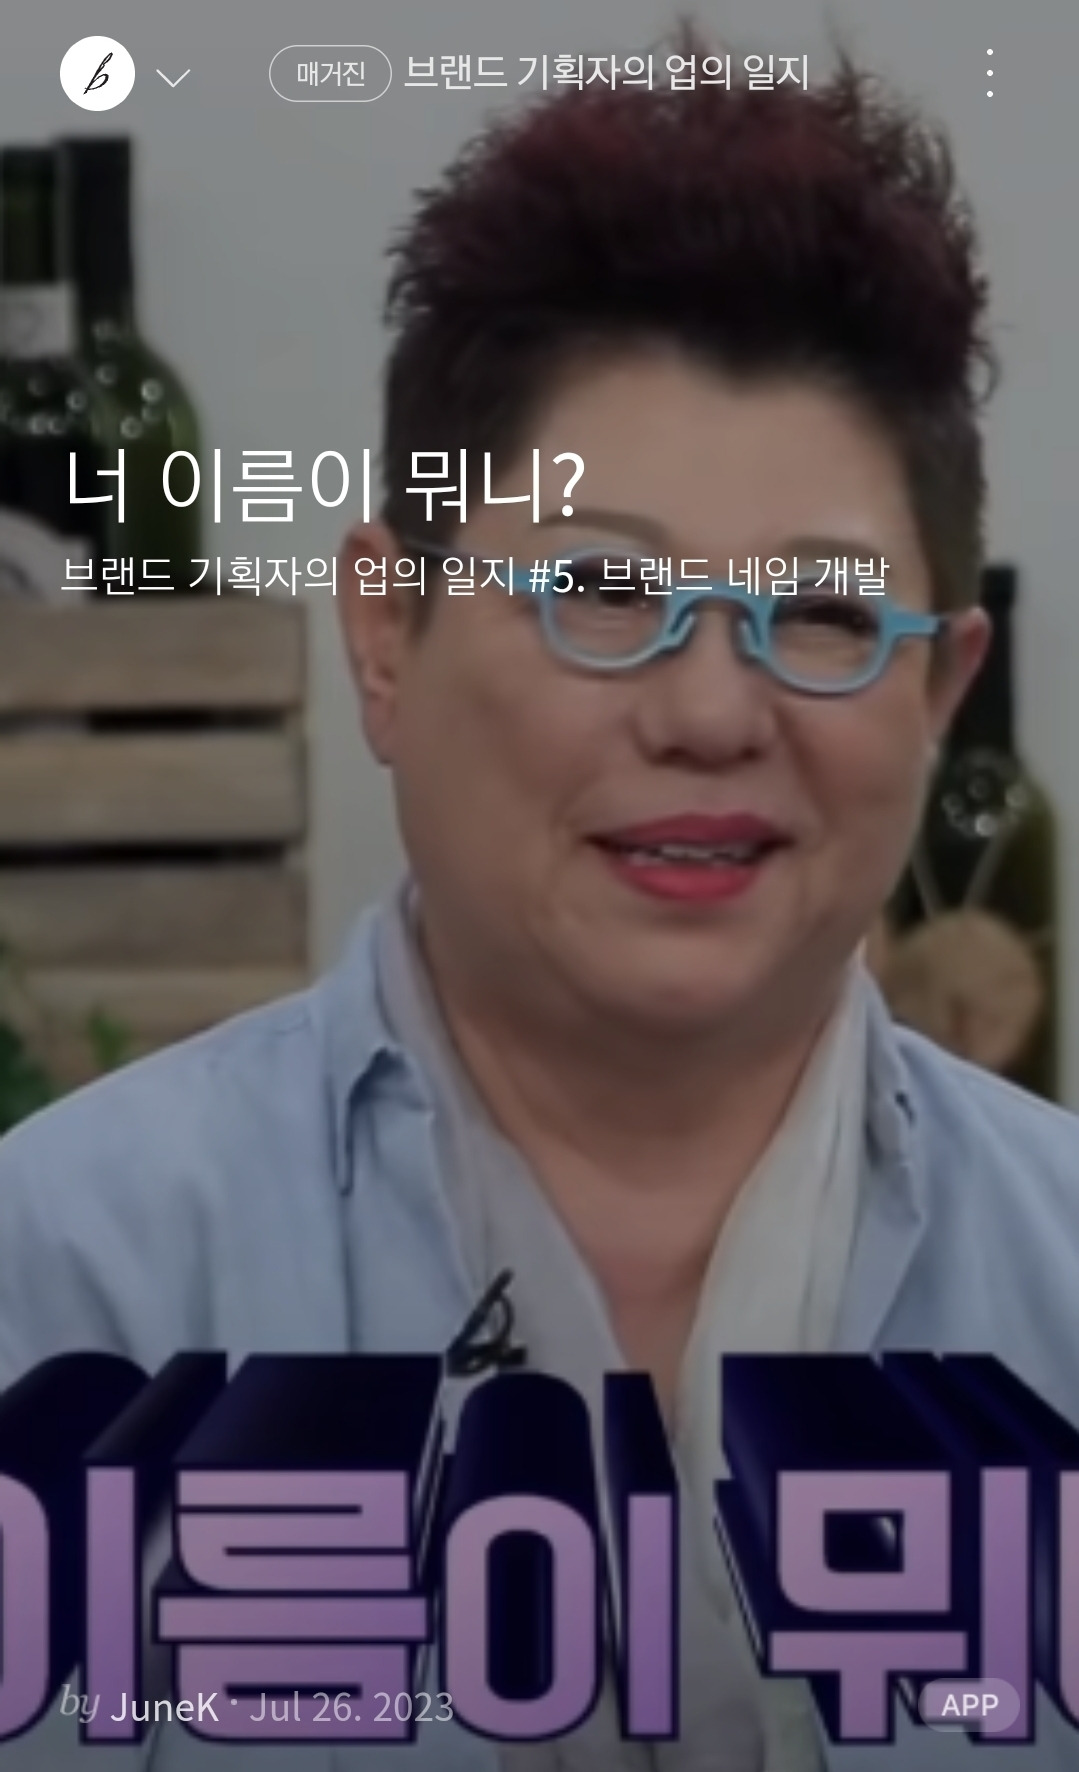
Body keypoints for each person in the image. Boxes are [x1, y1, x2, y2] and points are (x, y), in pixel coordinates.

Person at [1, 38, 1078, 1772]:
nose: (711, 715)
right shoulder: (70, 1276)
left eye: (820, 615)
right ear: (387, 637)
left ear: (943, 689)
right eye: (602, 590)